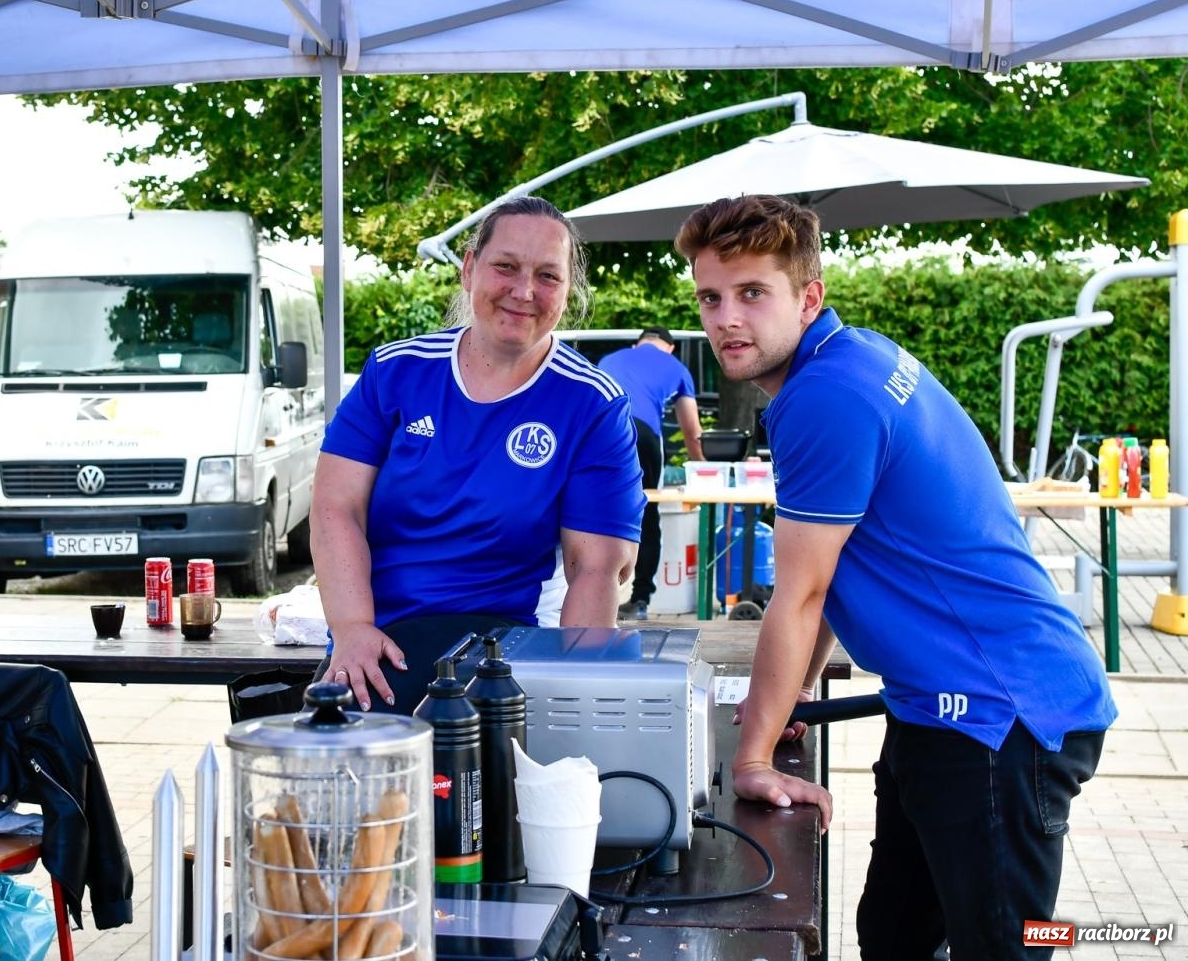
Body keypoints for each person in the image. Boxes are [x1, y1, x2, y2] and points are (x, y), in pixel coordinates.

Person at [675, 195, 1113, 960]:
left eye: (753, 294)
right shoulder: (859, 355)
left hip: (998, 714)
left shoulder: (825, 397)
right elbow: (841, 568)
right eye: (711, 297)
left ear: (807, 297)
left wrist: (751, 757)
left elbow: (802, 593)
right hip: (939, 709)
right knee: (896, 938)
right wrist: (791, 697)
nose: (726, 320)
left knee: (1004, 947)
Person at [311, 196, 645, 712]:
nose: (524, 291)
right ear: (469, 269)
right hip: (374, 641)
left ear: (568, 290)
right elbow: (336, 507)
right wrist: (353, 628)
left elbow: (596, 567)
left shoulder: (593, 403)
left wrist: (578, 690)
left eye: (548, 276)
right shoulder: (395, 371)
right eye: (505, 267)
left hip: (498, 652)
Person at [596, 326, 705, 617]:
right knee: (648, 509)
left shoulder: (609, 359)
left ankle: (592, 594)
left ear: (637, 344)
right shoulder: (677, 367)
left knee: (594, 509)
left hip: (600, 430)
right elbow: (692, 432)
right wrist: (703, 472)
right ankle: (640, 599)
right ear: (669, 347)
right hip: (642, 432)